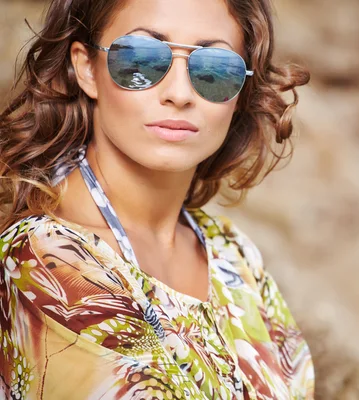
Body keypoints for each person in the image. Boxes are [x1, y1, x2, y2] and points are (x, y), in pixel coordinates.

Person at [0, 0, 314, 398]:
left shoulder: (233, 254)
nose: (180, 94)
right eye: (142, 59)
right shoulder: (45, 260)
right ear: (86, 69)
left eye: (215, 68)